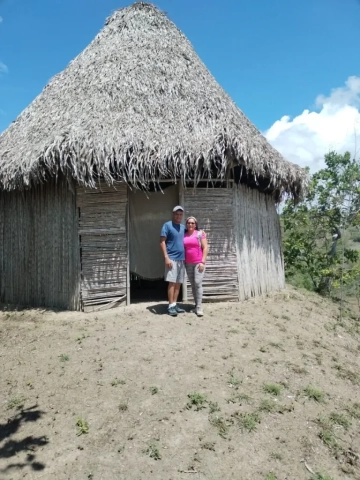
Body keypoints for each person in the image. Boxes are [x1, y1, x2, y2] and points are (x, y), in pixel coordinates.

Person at [160, 206, 186, 317]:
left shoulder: (183, 227)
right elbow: (162, 242)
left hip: (182, 259)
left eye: (180, 214)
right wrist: (166, 257)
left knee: (178, 283)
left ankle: (175, 304)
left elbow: (192, 235)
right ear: (173, 214)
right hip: (172, 258)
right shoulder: (167, 225)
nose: (178, 216)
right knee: (172, 282)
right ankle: (170, 305)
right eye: (176, 214)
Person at [184, 216, 208, 317]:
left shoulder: (199, 234)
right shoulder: (183, 235)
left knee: (198, 283)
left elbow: (205, 247)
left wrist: (203, 261)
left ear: (196, 224)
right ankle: (196, 304)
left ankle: (199, 307)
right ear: (186, 224)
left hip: (198, 262)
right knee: (193, 284)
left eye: (192, 223)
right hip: (188, 263)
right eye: (189, 223)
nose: (190, 224)